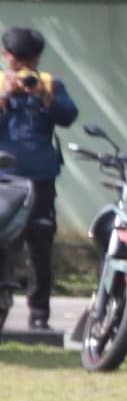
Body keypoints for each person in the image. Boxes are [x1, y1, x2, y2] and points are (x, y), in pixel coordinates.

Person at [0, 26, 77, 332]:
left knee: (40, 247)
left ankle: (40, 315)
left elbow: (69, 116)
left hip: (41, 178)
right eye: (17, 61)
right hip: (4, 179)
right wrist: (7, 94)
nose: (22, 68)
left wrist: (45, 96)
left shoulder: (50, 84)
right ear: (6, 57)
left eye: (29, 61)